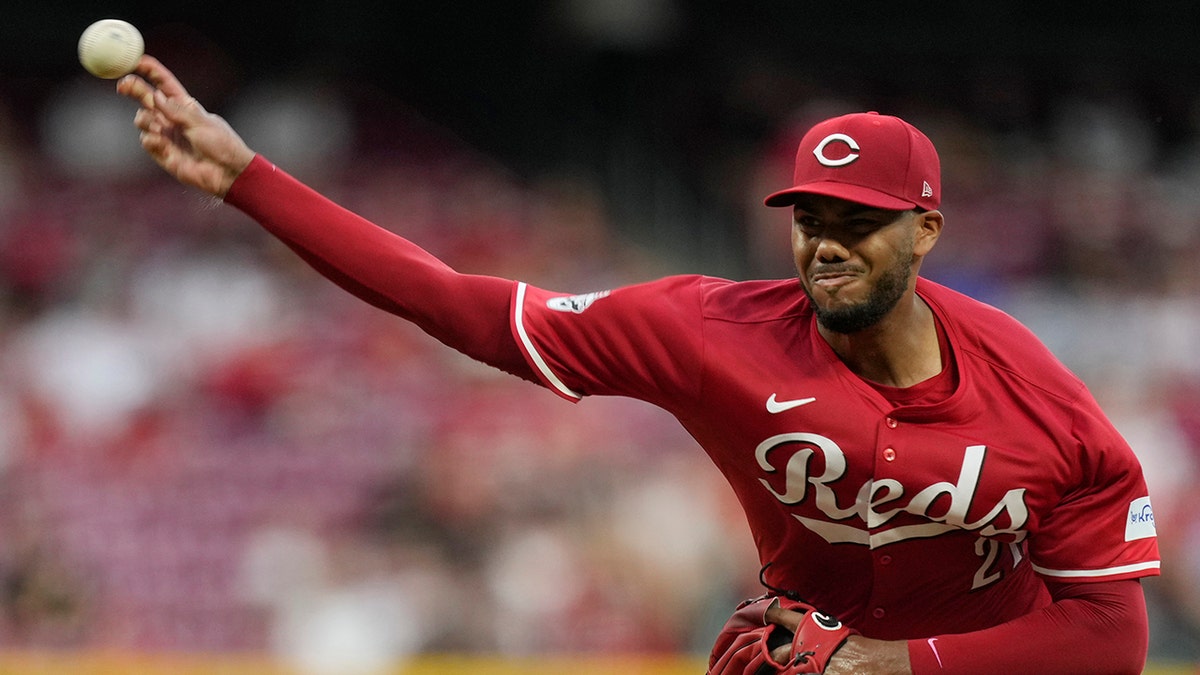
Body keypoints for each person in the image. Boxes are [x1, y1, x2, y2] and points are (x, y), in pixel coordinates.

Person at [117, 55, 1160, 674]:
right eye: (809, 218)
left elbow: (1111, 640)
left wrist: (899, 664)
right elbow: (455, 303)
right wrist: (247, 179)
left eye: (862, 222)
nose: (827, 242)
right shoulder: (710, 329)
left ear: (927, 229)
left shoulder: (1041, 404)